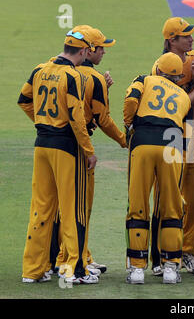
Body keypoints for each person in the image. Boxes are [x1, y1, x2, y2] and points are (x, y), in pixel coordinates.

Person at [18, 28, 98, 284]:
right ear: (84, 51)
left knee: (41, 209)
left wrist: (43, 121)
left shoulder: (39, 69)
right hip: (65, 147)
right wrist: (88, 150)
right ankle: (74, 270)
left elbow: (23, 99)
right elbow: (76, 117)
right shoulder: (72, 76)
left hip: (42, 144)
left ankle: (32, 271)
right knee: (72, 210)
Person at [50, 25, 127, 277]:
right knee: (81, 208)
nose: (104, 52)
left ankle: (75, 256)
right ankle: (76, 262)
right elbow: (102, 118)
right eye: (101, 47)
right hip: (78, 148)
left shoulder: (65, 71)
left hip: (54, 142)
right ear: (88, 50)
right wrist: (123, 139)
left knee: (64, 205)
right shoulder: (92, 78)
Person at [123, 52, 192, 284]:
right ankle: (171, 267)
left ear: (158, 69)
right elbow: (187, 131)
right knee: (172, 207)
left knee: (138, 205)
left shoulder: (144, 79)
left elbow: (131, 100)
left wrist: (129, 123)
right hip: (172, 146)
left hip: (143, 142)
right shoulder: (184, 95)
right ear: (178, 76)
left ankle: (137, 269)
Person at [148, 17, 194, 276]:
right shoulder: (160, 67)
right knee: (166, 196)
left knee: (192, 196)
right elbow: (174, 106)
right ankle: (160, 257)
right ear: (172, 40)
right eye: (186, 35)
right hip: (170, 133)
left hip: (193, 130)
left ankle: (188, 253)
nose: (191, 39)